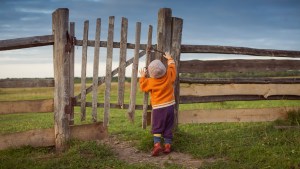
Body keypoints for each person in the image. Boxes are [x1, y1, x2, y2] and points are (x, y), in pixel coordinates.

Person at [139, 52, 176, 156]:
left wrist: (142, 77)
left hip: (158, 108)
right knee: (168, 126)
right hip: (169, 106)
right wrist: (169, 58)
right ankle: (167, 146)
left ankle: (157, 144)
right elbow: (172, 68)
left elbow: (143, 87)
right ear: (164, 69)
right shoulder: (169, 75)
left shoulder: (151, 81)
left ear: (151, 74)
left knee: (157, 126)